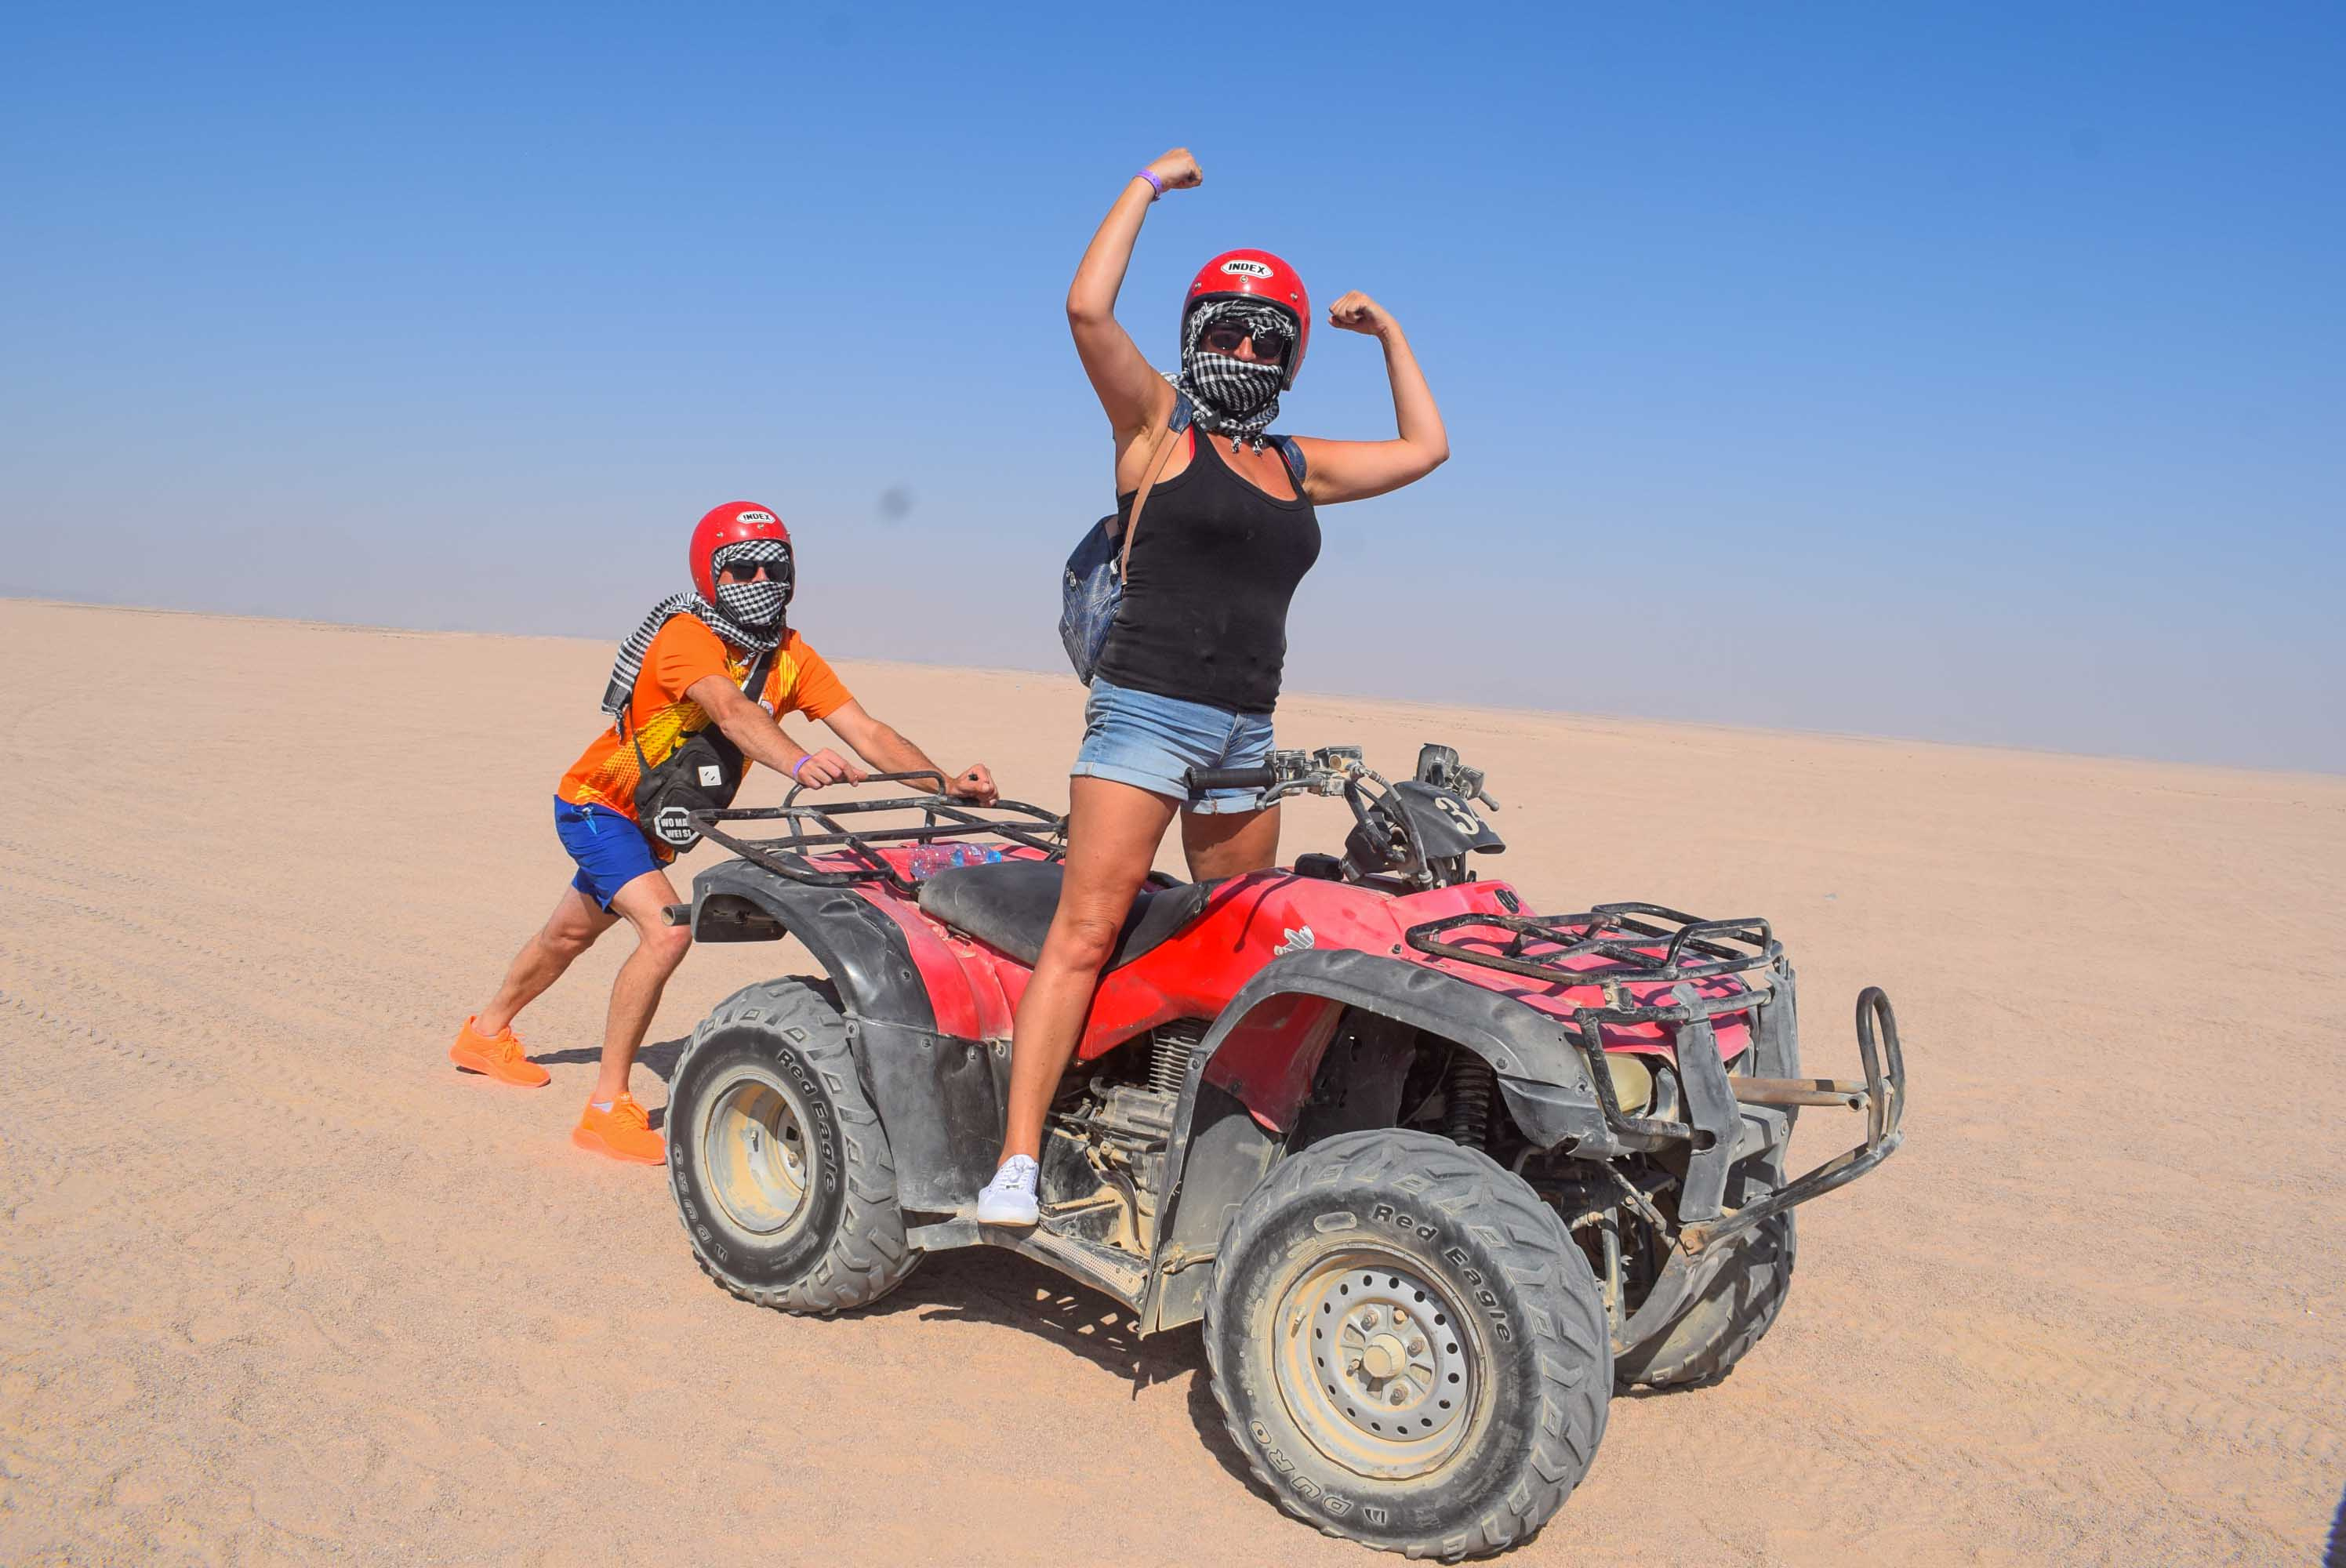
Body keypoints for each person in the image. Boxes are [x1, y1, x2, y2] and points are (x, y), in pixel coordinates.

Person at [975, 148, 1450, 1225]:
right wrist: (1145, 185)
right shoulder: (1155, 428)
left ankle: (1198, 1142)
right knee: (1084, 933)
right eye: (1226, 331)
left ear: (1289, 359)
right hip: (1142, 719)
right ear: (1195, 335)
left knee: (1238, 937)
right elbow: (1087, 311)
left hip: (1246, 737)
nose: (1244, 350)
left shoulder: (1296, 465)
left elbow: (1426, 448)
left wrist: (1391, 335)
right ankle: (1017, 1162)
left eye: (1266, 339)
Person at [452, 501, 997, 1165]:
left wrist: (944, 783)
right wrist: (797, 761)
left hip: (653, 826)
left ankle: (484, 1034)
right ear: (710, 575)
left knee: (567, 935)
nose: (762, 579)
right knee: (668, 930)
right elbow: (731, 709)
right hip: (599, 805)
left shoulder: (789, 655)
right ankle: (606, 1107)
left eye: (775, 566)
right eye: (742, 568)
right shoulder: (686, 636)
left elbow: (866, 730)